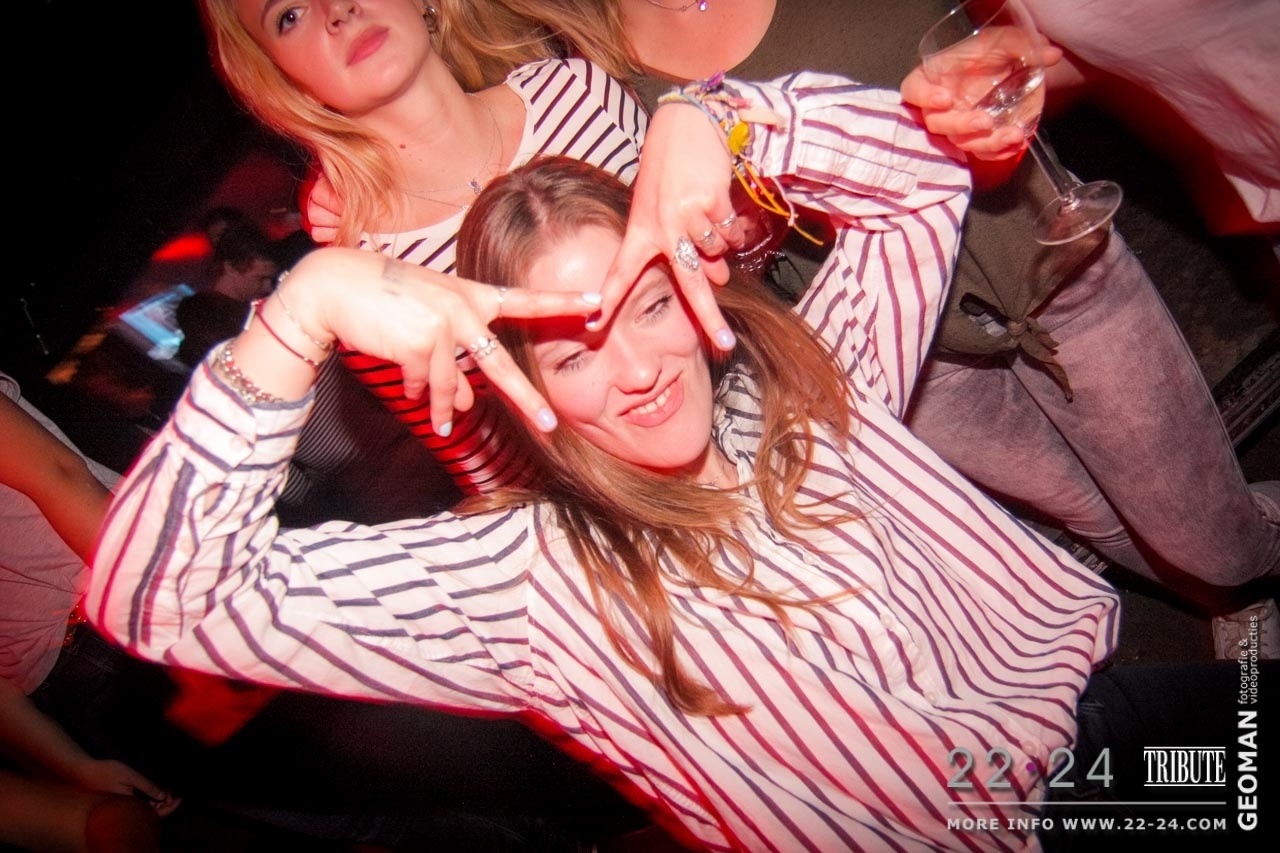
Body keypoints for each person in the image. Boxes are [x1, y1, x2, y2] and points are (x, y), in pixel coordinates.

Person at [89, 64, 1267, 851]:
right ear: (521, 388)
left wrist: (723, 123)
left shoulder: (807, 381)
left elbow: (916, 187)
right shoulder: (534, 578)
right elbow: (162, 601)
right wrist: (302, 311)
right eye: (571, 350)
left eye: (645, 304)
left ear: (690, 282)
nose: (636, 369)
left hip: (1111, 715)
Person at [484, 0, 1280, 657]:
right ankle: (1231, 601)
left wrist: (1021, 60)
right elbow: (685, 260)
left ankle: (1243, 569)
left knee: (1204, 530)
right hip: (909, 354)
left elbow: (1059, 37)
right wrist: (746, 239)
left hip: (1043, 253)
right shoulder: (603, 71)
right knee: (1094, 513)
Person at [0, 370, 180, 852]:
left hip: (68, 691)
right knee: (331, 771)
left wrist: (72, 765)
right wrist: (179, 593)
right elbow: (56, 475)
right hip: (126, 612)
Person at [175, 219, 280, 368]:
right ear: (230, 268)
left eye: (270, 279)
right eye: (261, 278)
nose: (268, 287)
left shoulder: (250, 307)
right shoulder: (204, 316)